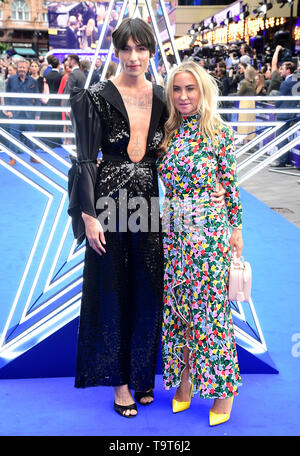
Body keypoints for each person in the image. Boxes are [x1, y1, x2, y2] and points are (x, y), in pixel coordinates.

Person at [67, 17, 226, 419]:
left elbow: (191, 139)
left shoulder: (163, 98)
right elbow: (86, 160)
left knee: (146, 290)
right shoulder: (96, 96)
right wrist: (89, 215)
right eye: (127, 49)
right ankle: (120, 385)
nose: (134, 57)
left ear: (151, 53)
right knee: (113, 290)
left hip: (149, 208)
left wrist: (218, 185)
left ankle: (142, 377)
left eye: (142, 49)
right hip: (108, 206)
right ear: (117, 52)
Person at [157, 60, 243, 427]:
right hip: (174, 231)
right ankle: (186, 381)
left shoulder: (219, 133)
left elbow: (231, 184)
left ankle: (224, 393)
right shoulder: (167, 132)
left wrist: (236, 228)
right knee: (180, 310)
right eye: (176, 89)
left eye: (190, 89)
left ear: (203, 91)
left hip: (207, 232)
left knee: (211, 313)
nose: (183, 96)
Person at [4, 59, 40, 165]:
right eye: (20, 67)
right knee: (13, 136)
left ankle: (33, 157)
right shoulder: (11, 79)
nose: (22, 69)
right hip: (15, 113)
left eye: (24, 67)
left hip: (29, 113)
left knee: (31, 136)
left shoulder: (33, 81)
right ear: (17, 68)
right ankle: (13, 158)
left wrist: (37, 113)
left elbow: (37, 98)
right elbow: (7, 96)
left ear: (27, 69)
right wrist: (8, 109)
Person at [270, 61, 299, 167]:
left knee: (281, 137)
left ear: (288, 70)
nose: (280, 71)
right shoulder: (295, 79)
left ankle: (282, 161)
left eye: (282, 68)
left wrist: (275, 109)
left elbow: (279, 99)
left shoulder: (287, 82)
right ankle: (284, 159)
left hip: (284, 114)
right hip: (292, 113)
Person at [237, 65, 257, 144]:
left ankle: (245, 141)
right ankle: (250, 141)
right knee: (250, 122)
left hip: (244, 103)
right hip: (252, 103)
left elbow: (239, 93)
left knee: (244, 122)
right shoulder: (254, 82)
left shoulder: (244, 82)